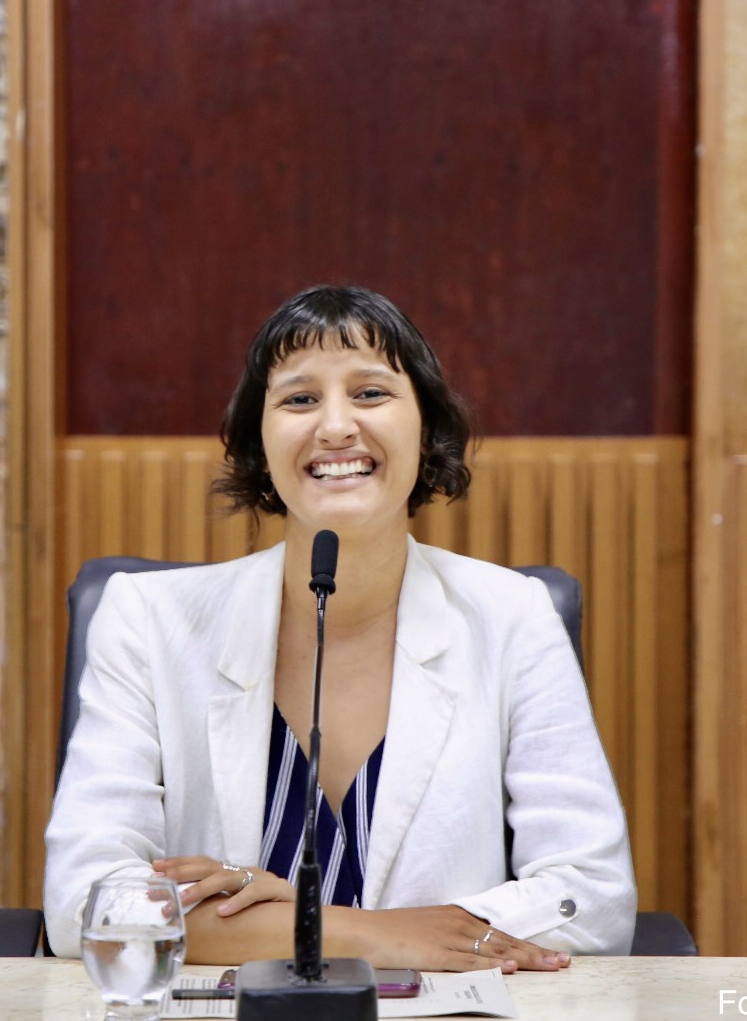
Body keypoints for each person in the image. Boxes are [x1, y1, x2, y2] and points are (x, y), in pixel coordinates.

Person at [44, 285, 636, 970]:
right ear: (259, 443)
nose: (334, 427)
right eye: (299, 399)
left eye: (370, 393)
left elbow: (593, 897)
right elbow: (83, 903)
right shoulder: (147, 621)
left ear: (426, 430)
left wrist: (263, 925)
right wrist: (366, 935)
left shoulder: (513, 617)